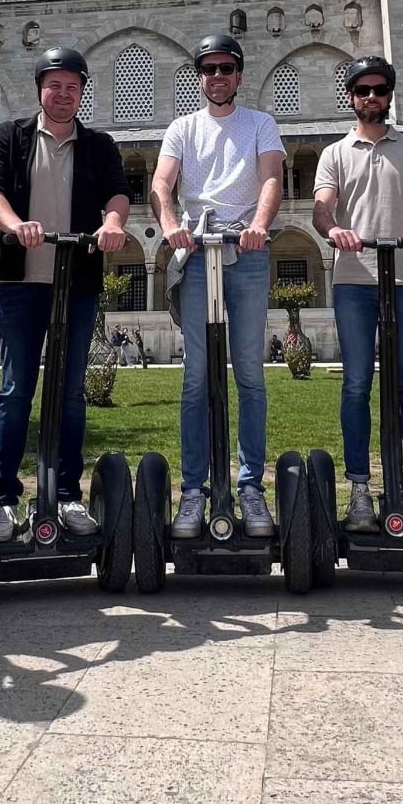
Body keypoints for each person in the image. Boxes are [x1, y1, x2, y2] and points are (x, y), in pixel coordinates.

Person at [0, 48, 130, 542]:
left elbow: (118, 193)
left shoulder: (99, 144)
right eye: (54, 85)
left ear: (82, 91)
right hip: (22, 284)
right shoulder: (11, 136)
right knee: (16, 389)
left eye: (72, 87)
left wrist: (112, 223)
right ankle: (4, 499)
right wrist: (15, 225)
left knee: (70, 391)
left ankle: (66, 494)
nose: (63, 95)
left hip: (77, 281)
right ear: (39, 88)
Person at [150, 34, 284, 540]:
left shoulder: (260, 124)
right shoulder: (183, 129)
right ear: (199, 77)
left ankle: (250, 485)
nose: (217, 76)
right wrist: (168, 223)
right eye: (208, 69)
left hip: (245, 252)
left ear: (239, 75)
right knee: (196, 377)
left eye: (226, 68)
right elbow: (163, 184)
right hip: (197, 250)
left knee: (249, 373)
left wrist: (260, 225)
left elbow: (271, 177)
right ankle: (193, 490)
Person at [313, 56, 403, 535]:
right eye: (363, 90)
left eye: (380, 89)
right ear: (351, 97)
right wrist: (335, 231)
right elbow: (322, 210)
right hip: (355, 279)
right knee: (356, 383)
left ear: (390, 95)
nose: (372, 97)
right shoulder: (335, 152)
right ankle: (359, 490)